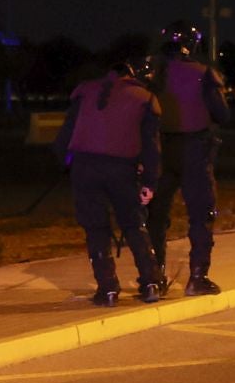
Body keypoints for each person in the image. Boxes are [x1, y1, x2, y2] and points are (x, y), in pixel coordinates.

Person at [52, 60, 168, 304]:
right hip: (122, 169)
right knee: (134, 225)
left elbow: (65, 134)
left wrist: (67, 162)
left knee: (96, 228)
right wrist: (150, 182)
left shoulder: (86, 92)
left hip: (85, 167)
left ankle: (108, 290)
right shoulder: (144, 98)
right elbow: (151, 147)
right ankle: (151, 283)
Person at [147, 21, 232, 296]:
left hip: (158, 151)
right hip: (195, 150)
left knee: (155, 216)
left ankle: (154, 278)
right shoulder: (203, 73)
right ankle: (197, 277)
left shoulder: (150, 73)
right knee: (201, 214)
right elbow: (222, 114)